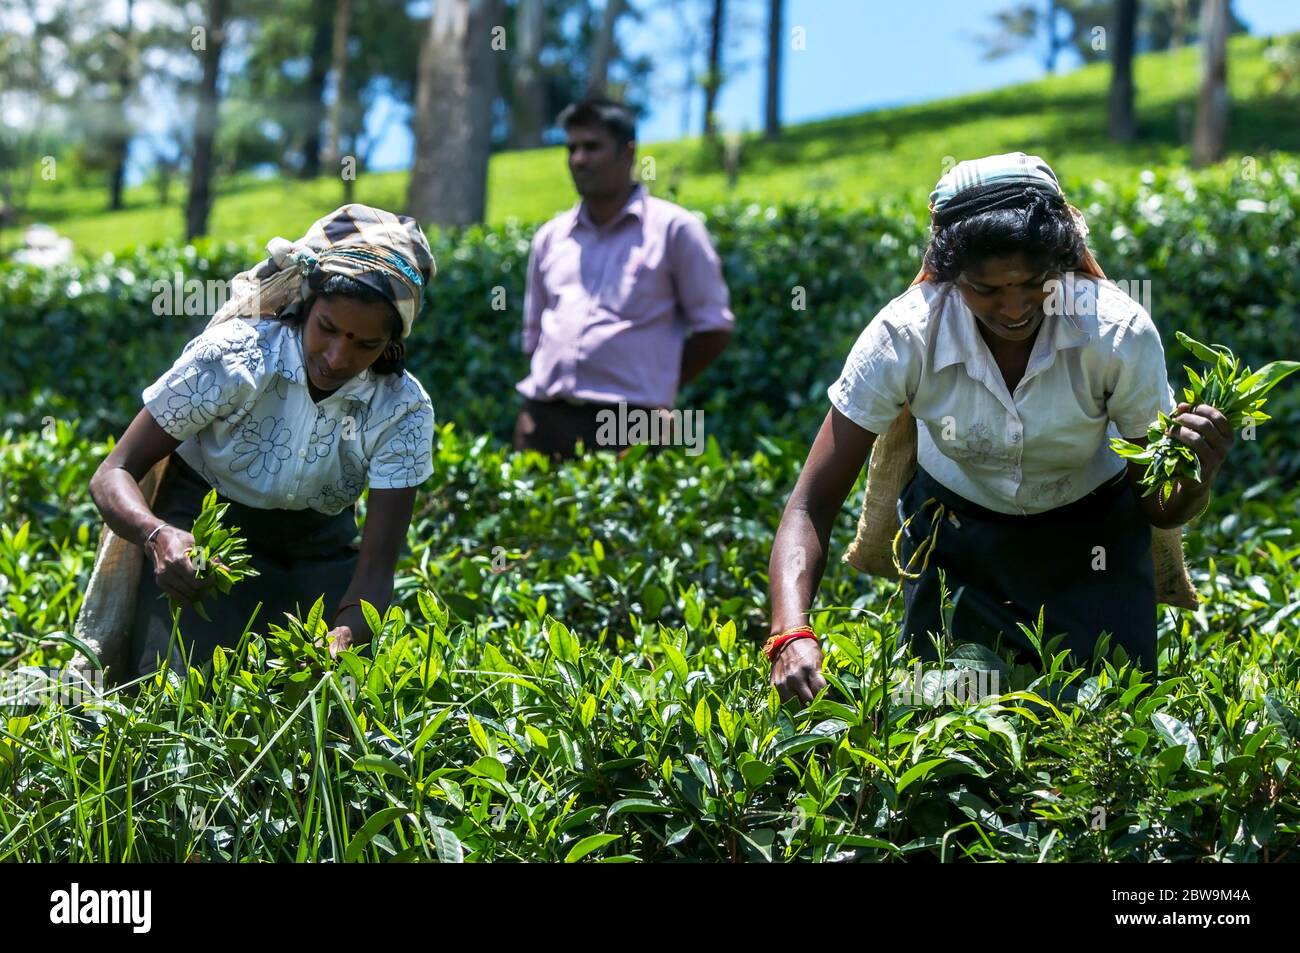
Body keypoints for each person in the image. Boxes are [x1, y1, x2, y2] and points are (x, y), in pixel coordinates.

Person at [765, 152, 1236, 705]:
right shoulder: (904, 336)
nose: (1014, 307)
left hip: (1094, 547)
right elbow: (810, 504)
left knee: (1105, 735)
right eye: (985, 290)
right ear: (947, 275)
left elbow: (1157, 507)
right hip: (958, 548)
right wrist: (790, 635)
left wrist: (1197, 472)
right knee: (950, 742)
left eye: (1035, 283)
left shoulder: (1116, 333)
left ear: (1063, 265)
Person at [88, 204, 437, 679]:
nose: (337, 357)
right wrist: (158, 536)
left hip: (318, 551)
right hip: (206, 540)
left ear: (392, 343)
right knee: (178, 695)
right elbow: (114, 472)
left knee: (323, 715)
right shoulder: (236, 358)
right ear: (305, 305)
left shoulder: (401, 408)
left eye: (365, 344)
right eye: (327, 329)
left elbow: (375, 571)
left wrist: (344, 638)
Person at [514, 99, 735, 459]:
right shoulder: (551, 238)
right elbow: (533, 336)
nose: (578, 159)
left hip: (633, 423)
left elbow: (714, 329)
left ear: (628, 153)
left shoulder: (674, 230)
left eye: (592, 147)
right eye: (571, 148)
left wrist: (659, 387)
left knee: (624, 515)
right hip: (544, 419)